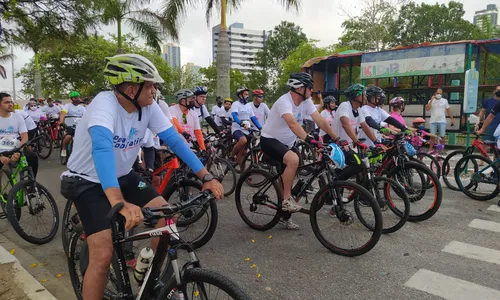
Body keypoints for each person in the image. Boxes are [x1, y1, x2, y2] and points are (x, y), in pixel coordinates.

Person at [60, 53, 223, 300]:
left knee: (167, 215)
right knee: (102, 256)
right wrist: (119, 201)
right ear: (132, 87)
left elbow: (174, 141)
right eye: (151, 84)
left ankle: (148, 277)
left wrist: (206, 175)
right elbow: (102, 149)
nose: (155, 90)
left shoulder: (148, 106)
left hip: (123, 175)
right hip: (87, 181)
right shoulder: (104, 105)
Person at [260, 72, 339, 229]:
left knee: (294, 172)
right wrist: (309, 139)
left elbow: (320, 120)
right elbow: (292, 123)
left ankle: (284, 214)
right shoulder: (284, 101)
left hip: (287, 143)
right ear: (300, 88)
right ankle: (287, 200)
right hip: (269, 140)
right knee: (293, 160)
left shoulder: (306, 101)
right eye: (310, 88)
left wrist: (336, 138)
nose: (312, 91)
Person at [0, 93, 38, 177]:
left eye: (11, 102)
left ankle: (30, 183)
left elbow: (24, 137)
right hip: (1, 151)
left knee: (32, 156)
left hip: (16, 149)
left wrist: (18, 151)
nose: (10, 104)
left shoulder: (18, 117)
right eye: (6, 102)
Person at [231, 86, 262, 165]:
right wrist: (241, 123)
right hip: (237, 128)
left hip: (246, 129)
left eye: (248, 94)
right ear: (240, 95)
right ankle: (231, 155)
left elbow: (253, 118)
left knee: (244, 152)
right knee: (243, 140)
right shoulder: (235, 104)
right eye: (245, 94)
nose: (247, 96)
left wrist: (260, 128)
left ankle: (242, 172)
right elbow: (234, 116)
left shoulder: (248, 106)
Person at [425, 88, 454, 152]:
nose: (439, 95)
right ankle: (430, 150)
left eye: (440, 93)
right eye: (438, 93)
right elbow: (427, 109)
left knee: (442, 136)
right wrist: (432, 99)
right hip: (433, 121)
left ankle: (442, 150)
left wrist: (452, 119)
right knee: (432, 136)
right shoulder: (430, 101)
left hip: (442, 121)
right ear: (435, 93)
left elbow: (448, 110)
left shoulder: (444, 101)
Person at [59, 91, 86, 157]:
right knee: (69, 136)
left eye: (78, 98)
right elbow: (63, 114)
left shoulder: (82, 108)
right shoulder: (67, 106)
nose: (77, 99)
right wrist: (61, 123)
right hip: (69, 123)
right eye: (75, 98)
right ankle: (64, 149)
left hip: (79, 124)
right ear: (72, 99)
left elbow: (86, 116)